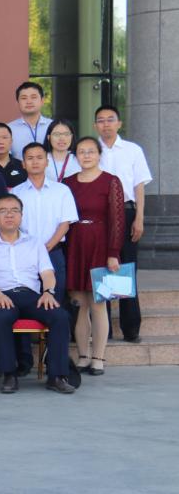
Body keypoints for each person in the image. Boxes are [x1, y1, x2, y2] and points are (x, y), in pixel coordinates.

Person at [0, 194, 77, 394]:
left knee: (60, 316)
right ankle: (9, 374)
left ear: (21, 216)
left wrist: (48, 292)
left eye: (14, 210)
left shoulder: (35, 243)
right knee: (1, 318)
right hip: (2, 295)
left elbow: (47, 273)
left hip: (32, 295)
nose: (9, 215)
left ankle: (57, 376)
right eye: (3, 211)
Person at [64, 137, 125, 376]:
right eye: (82, 152)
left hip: (101, 244)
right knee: (80, 304)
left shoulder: (111, 181)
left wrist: (113, 253)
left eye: (91, 151)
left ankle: (98, 357)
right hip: (75, 245)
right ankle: (83, 355)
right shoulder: (68, 183)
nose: (86, 155)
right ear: (75, 156)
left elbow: (117, 220)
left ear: (99, 154)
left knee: (99, 304)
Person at [96, 104, 152, 343]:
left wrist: (139, 217)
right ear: (95, 125)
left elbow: (139, 186)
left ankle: (131, 327)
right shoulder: (91, 150)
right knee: (102, 268)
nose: (106, 124)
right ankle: (104, 328)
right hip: (100, 215)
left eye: (110, 119)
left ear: (119, 123)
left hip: (128, 213)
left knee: (126, 267)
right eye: (101, 120)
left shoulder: (132, 150)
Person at [12, 142, 79, 323]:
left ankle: (54, 341)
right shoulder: (16, 193)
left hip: (53, 252)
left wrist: (47, 247)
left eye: (39, 158)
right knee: (26, 301)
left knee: (55, 303)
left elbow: (65, 224)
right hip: (24, 255)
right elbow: (13, 225)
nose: (35, 162)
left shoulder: (61, 190)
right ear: (23, 163)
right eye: (30, 158)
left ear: (47, 161)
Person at [9, 81, 52, 160]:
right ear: (17, 103)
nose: (29, 101)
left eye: (33, 97)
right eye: (24, 98)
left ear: (42, 101)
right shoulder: (9, 129)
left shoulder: (53, 126)